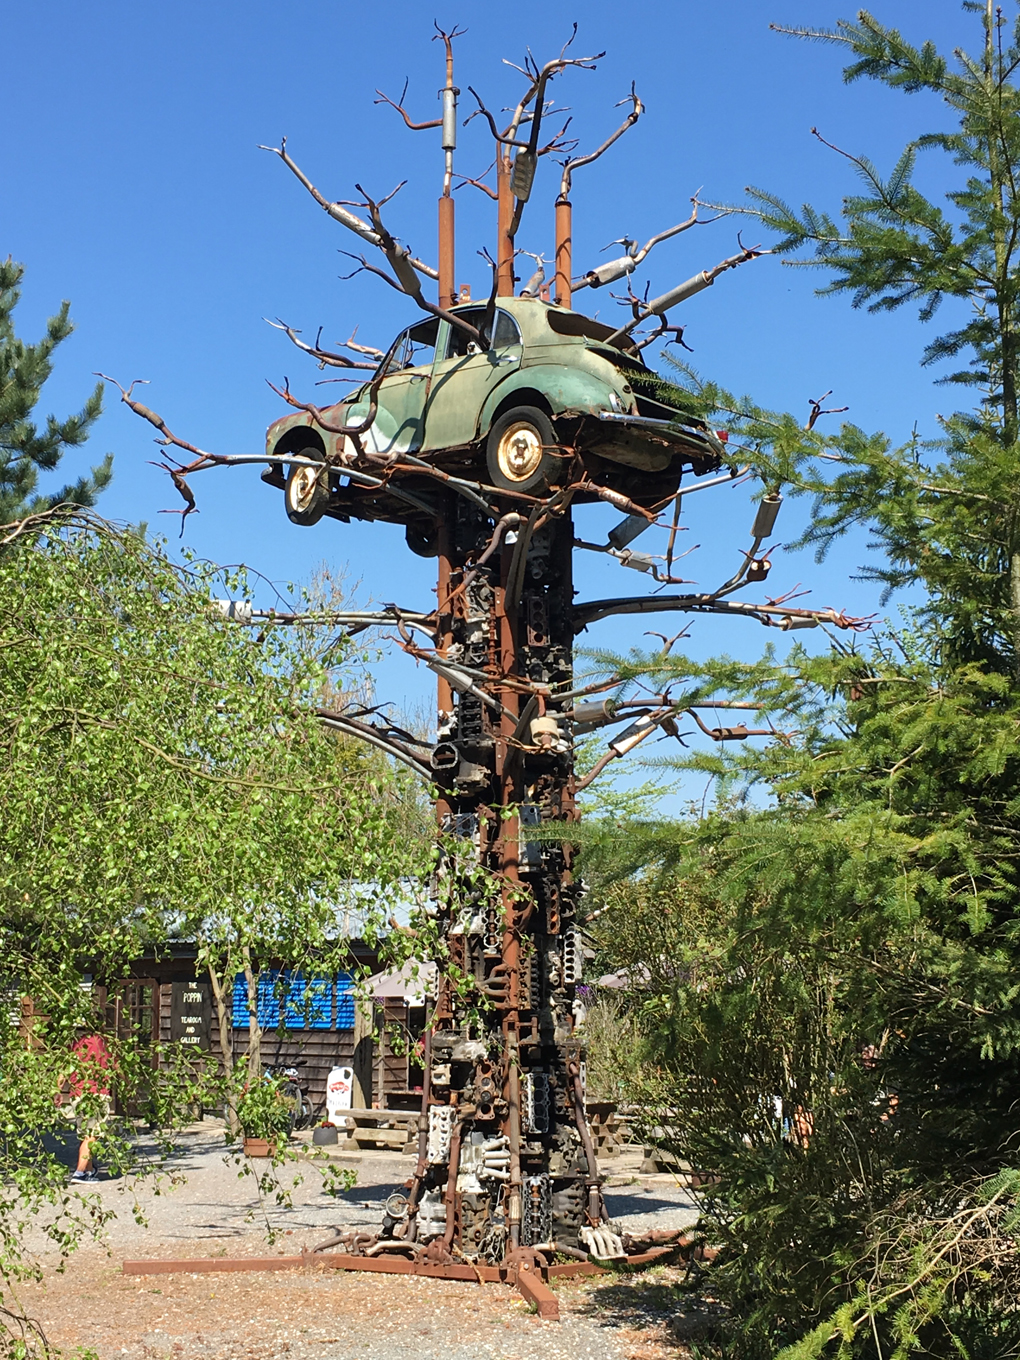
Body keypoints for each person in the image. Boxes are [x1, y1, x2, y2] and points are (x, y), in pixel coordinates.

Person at [58, 1032, 113, 1182]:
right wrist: (128, 1083)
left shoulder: (76, 1043)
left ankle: (89, 1170)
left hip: (77, 1094)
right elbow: (117, 1066)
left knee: (85, 1133)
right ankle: (80, 1172)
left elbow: (64, 1072)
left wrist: (57, 1092)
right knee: (92, 1135)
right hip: (97, 1093)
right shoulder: (104, 1042)